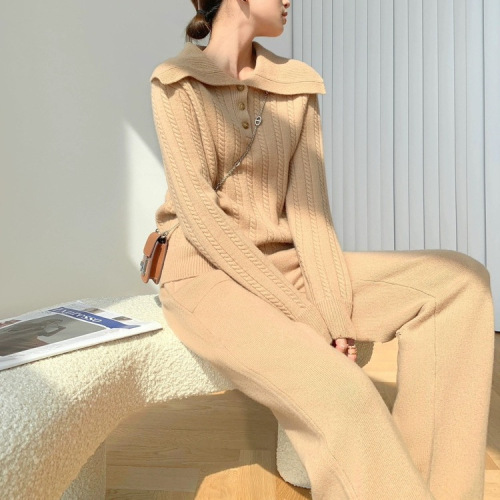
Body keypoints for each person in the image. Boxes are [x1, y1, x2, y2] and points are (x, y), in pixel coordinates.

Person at [148, 1, 495, 498]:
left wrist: (334, 315)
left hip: (285, 264)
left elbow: (310, 216)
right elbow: (204, 223)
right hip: (204, 275)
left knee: (459, 284)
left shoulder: (296, 84)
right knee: (346, 393)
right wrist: (306, 318)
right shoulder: (175, 83)